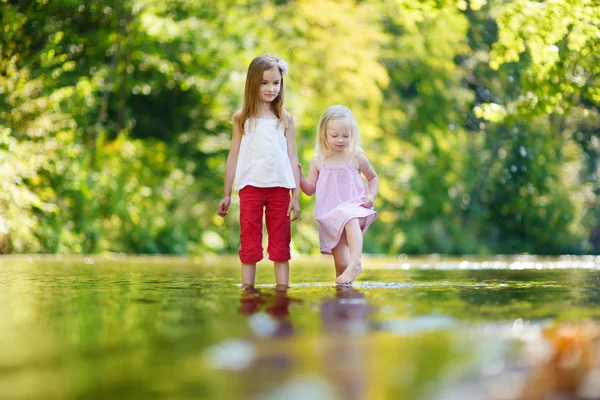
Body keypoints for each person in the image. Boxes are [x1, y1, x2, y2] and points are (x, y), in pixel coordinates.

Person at [217, 54, 300, 288]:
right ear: (253, 83)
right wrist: (226, 194)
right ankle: (248, 291)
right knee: (250, 243)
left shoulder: (285, 119)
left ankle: (282, 291)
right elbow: (233, 157)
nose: (271, 88)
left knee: (281, 244)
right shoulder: (242, 119)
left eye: (276, 82)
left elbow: (292, 157)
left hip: (280, 189)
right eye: (264, 82)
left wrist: (296, 196)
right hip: (251, 188)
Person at [298, 105, 378, 284]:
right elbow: (310, 189)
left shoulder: (356, 158)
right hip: (332, 218)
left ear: (352, 134)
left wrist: (371, 195)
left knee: (350, 219)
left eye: (346, 135)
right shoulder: (319, 162)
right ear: (324, 135)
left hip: (356, 209)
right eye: (335, 135)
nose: (340, 140)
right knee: (341, 266)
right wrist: (299, 176)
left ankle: (356, 263)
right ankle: (343, 302)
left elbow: (373, 177)